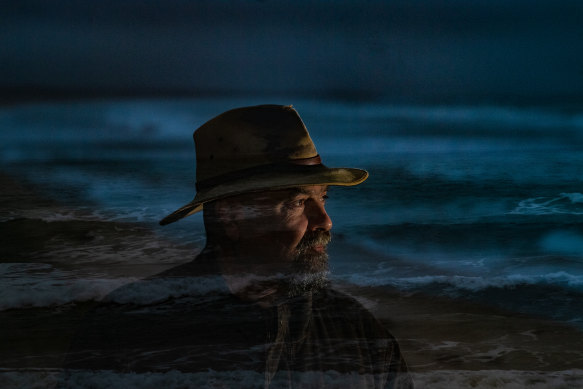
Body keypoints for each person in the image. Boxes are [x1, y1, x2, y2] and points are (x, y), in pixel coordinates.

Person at [65, 105, 413, 388]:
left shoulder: (362, 336)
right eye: (296, 202)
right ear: (233, 215)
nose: (325, 221)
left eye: (323, 198)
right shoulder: (128, 335)